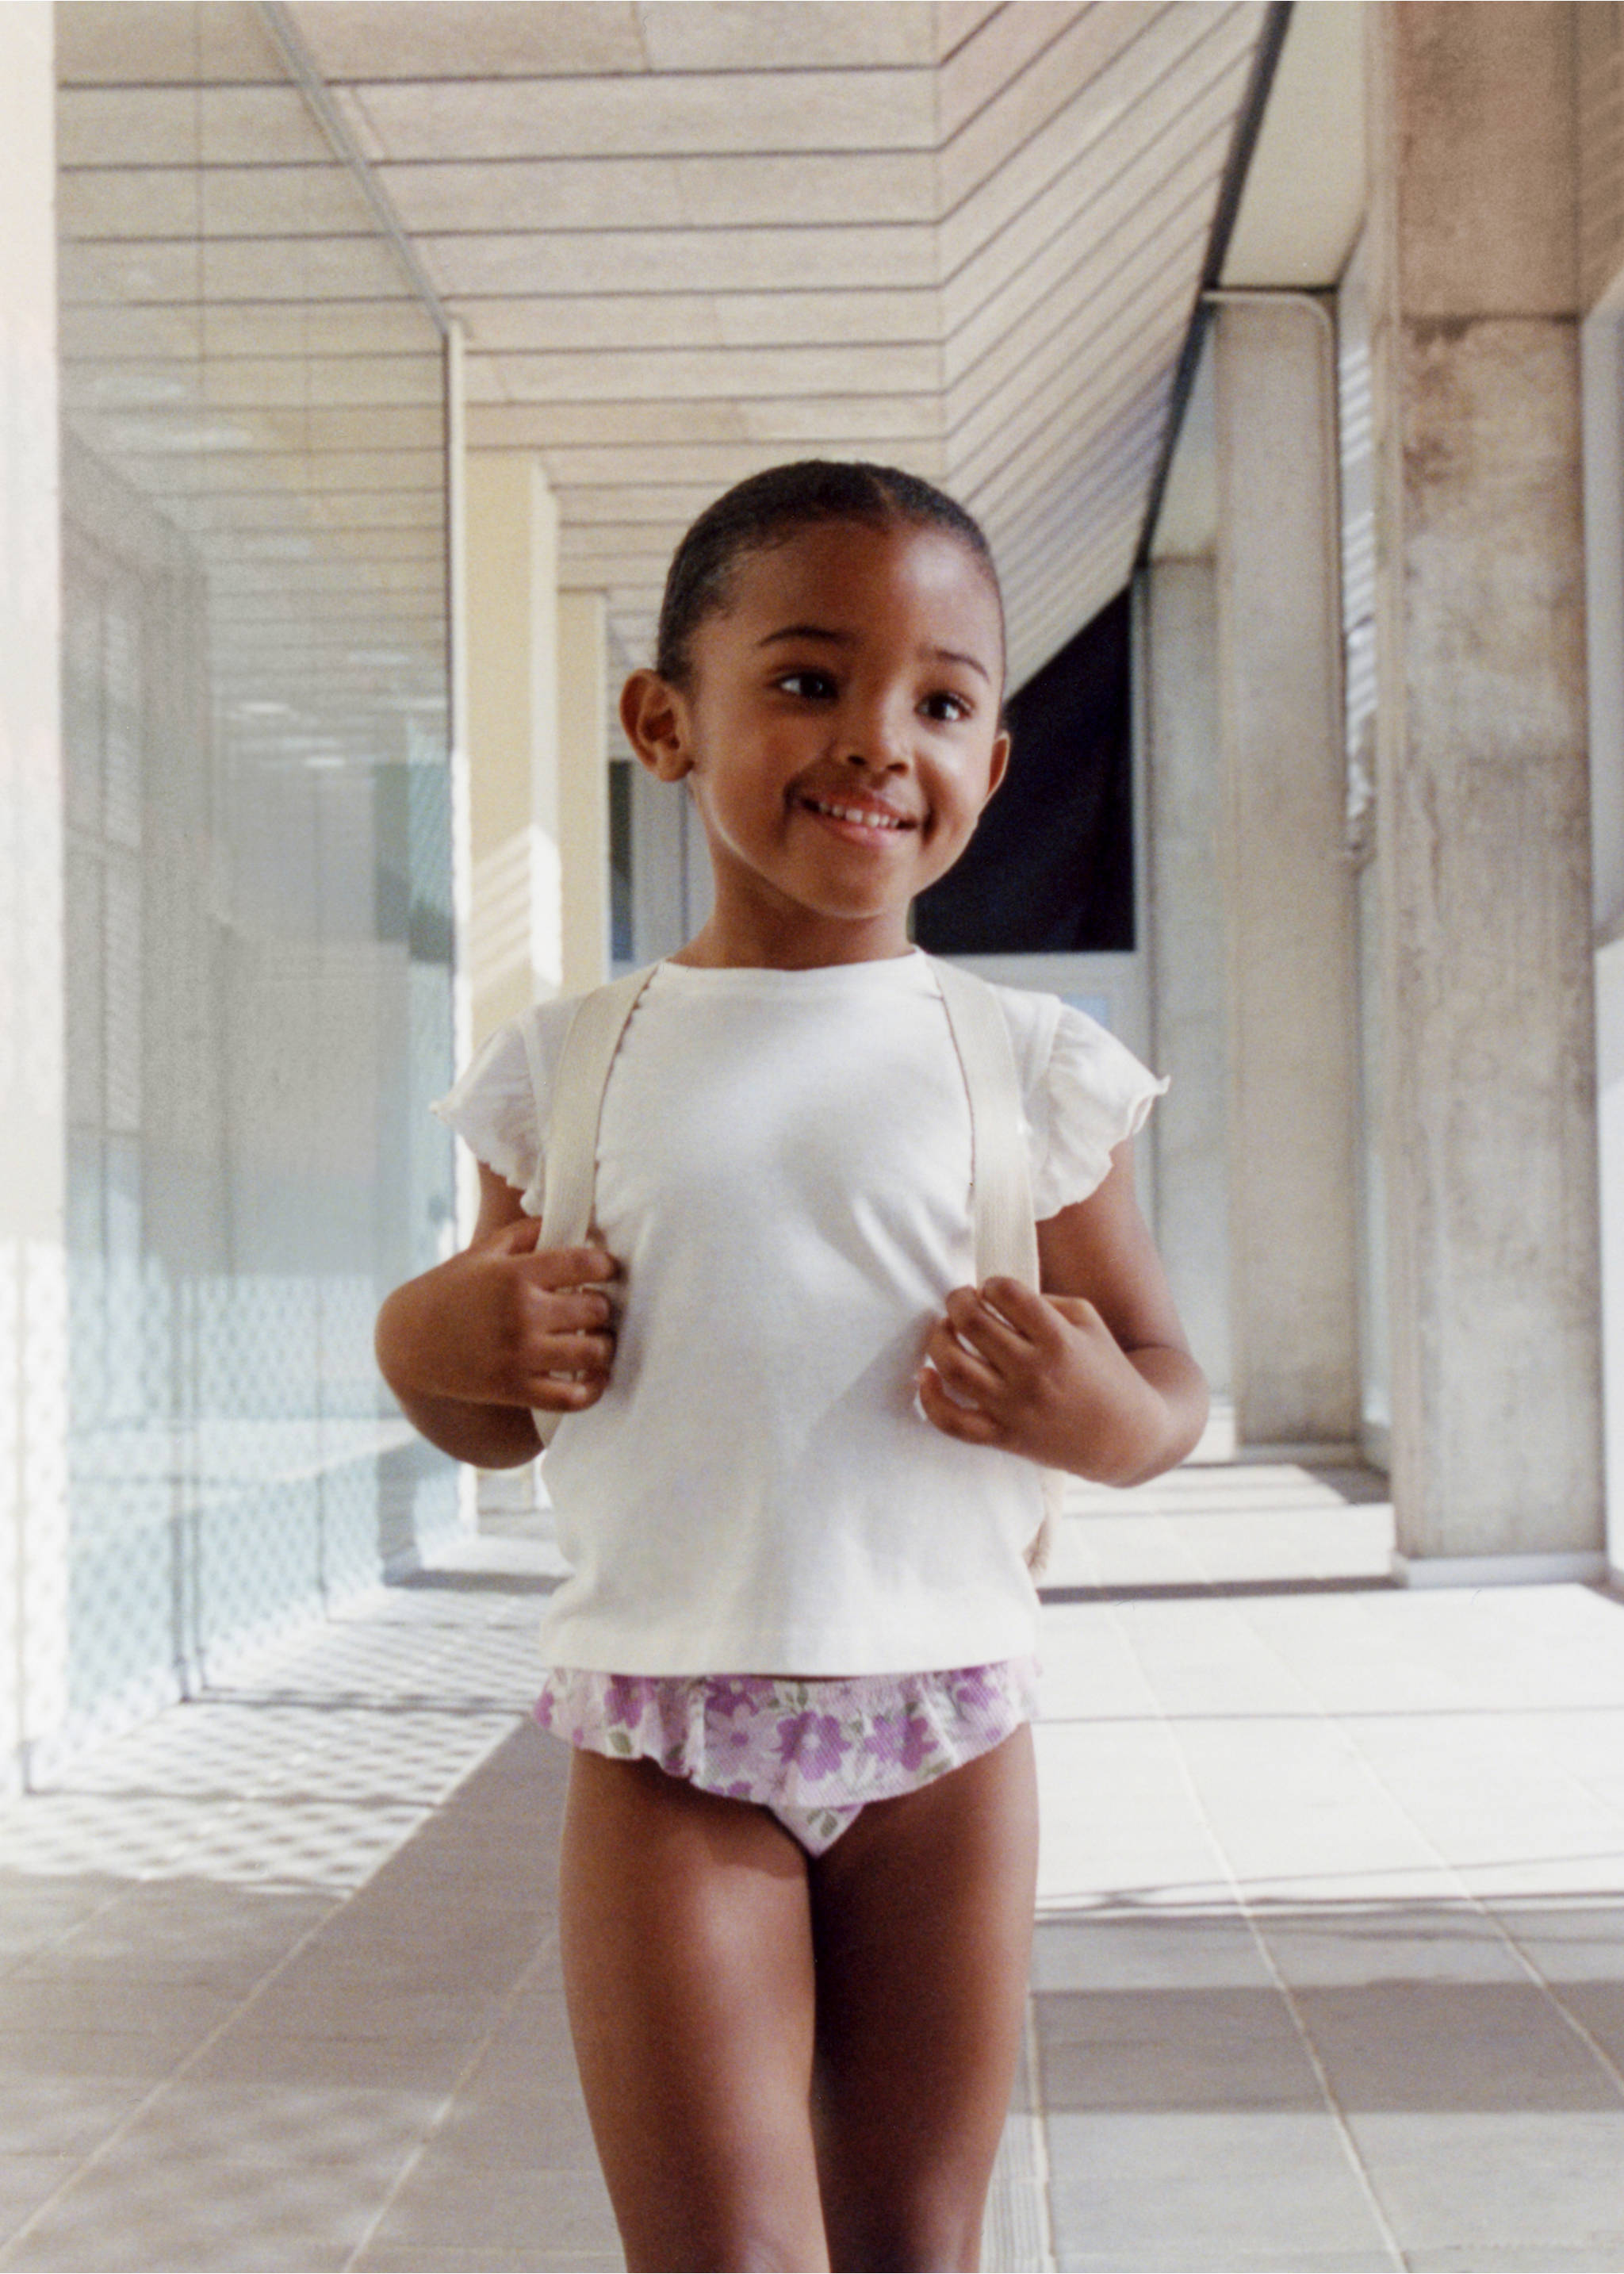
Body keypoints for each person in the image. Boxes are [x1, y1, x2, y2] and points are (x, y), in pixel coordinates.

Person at [375, 461, 1208, 2272]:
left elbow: (1162, 1378)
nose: (878, 741)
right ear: (664, 720)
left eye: (943, 700)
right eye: (810, 680)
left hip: (949, 1739)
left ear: (993, 760)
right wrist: (426, 1340)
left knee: (913, 2238)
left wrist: (1106, 1417)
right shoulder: (572, 1064)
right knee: (723, 2256)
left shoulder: (1030, 1063)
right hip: (671, 1745)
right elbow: (489, 1400)